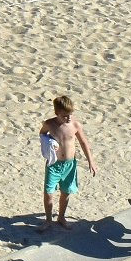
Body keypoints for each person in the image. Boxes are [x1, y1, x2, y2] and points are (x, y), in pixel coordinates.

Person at [39, 95, 97, 229]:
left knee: (65, 192)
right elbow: (42, 135)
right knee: (48, 192)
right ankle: (48, 220)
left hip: (69, 165)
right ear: (57, 113)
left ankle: (61, 217)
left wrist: (91, 161)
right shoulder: (49, 124)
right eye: (65, 116)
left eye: (70, 114)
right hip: (53, 164)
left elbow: (83, 142)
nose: (69, 118)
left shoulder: (75, 125)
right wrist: (49, 142)